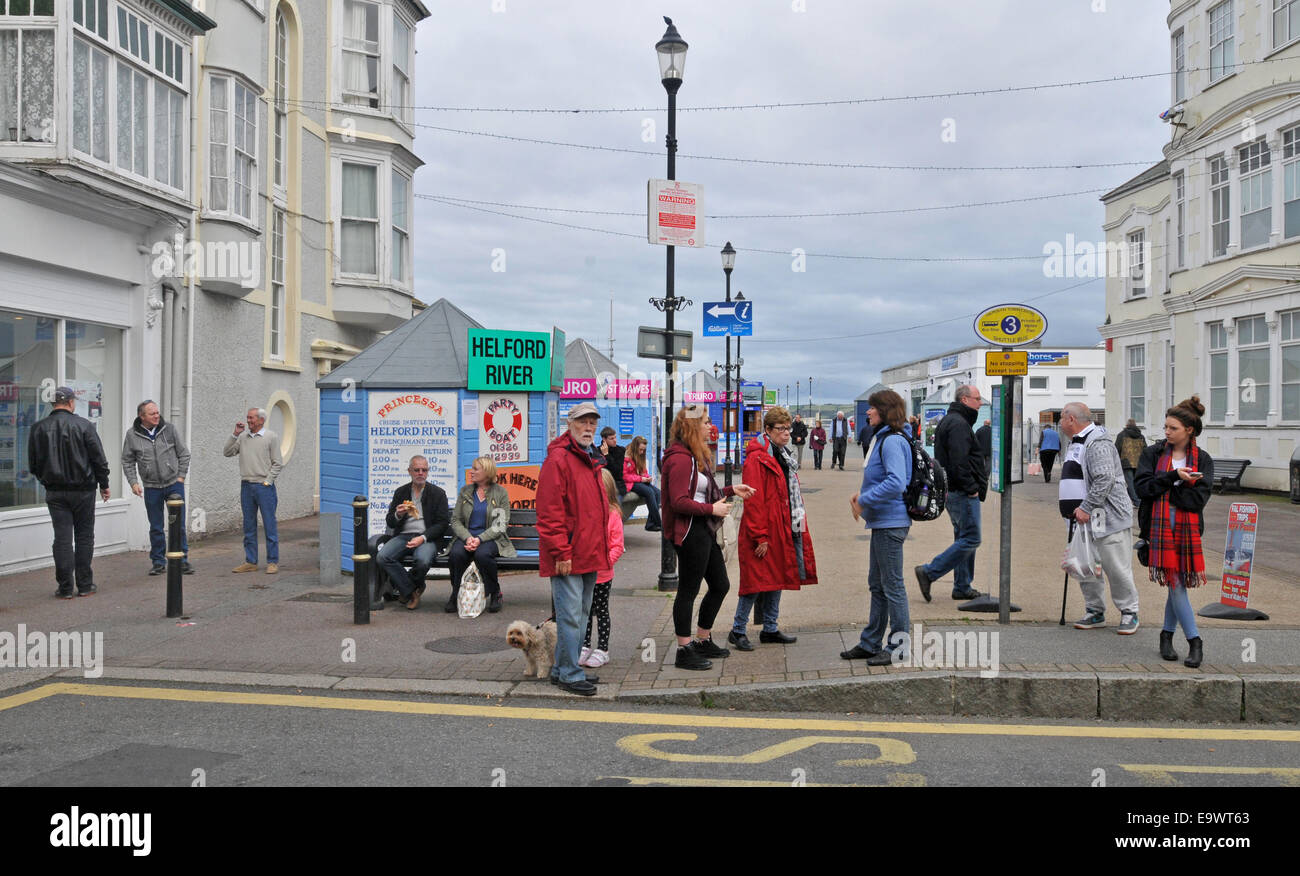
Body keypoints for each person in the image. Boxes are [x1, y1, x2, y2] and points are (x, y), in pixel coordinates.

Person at [661, 404, 756, 670]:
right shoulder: (680, 458)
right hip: (690, 532)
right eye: (704, 422)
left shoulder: (693, 455)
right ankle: (684, 649)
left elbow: (702, 492)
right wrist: (711, 509)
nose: (709, 427)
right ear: (691, 427)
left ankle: (702, 640)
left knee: (720, 584)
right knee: (688, 591)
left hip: (702, 528)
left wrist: (731, 489)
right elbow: (678, 501)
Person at [537, 402, 610, 696]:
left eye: (592, 422)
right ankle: (569, 672)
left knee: (579, 614)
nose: (588, 428)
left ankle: (561, 669)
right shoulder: (559, 460)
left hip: (588, 550)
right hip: (569, 553)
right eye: (583, 422)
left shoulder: (587, 457)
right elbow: (550, 512)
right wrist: (561, 552)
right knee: (570, 615)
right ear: (570, 424)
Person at [729, 406, 815, 651]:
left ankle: (770, 628)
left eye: (788, 428)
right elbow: (754, 500)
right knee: (755, 583)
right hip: (763, 529)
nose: (786, 433)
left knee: (777, 577)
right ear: (767, 430)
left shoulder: (780, 453)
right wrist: (760, 536)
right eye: (781, 429)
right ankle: (737, 630)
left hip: (782, 525)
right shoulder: (757, 458)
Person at [1136, 396, 1213, 668]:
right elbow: (1143, 489)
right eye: (1166, 427)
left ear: (1189, 430)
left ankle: (1167, 636)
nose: (1167, 432)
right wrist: (1175, 478)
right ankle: (1194, 641)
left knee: (1175, 583)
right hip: (1157, 531)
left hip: (1186, 533)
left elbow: (1198, 500)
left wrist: (1172, 489)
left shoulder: (1202, 459)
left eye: (1173, 428)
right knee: (1176, 583)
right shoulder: (1152, 454)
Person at [842, 389, 914, 665]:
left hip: (891, 523)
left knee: (892, 586)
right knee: (878, 585)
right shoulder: (883, 437)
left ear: (884, 411)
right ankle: (871, 642)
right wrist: (862, 497)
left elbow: (897, 482)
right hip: (882, 521)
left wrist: (864, 499)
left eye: (873, 408)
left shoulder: (893, 441)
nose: (868, 412)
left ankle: (898, 647)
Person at [1058, 402, 1140, 634]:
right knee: (1085, 565)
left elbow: (1105, 479)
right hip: (1083, 521)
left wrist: (1086, 506)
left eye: (1062, 419)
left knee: (1115, 566)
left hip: (1105, 517)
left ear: (1071, 419)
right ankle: (1095, 611)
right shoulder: (1077, 441)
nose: (1060, 424)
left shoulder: (1097, 443)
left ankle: (1129, 612)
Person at [28, 386, 111, 598]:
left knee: (62, 538)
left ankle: (65, 587)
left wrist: (46, 480)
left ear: (54, 404)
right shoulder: (84, 426)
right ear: (72, 402)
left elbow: (33, 465)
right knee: (84, 536)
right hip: (83, 490)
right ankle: (84, 585)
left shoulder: (38, 428)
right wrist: (104, 484)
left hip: (55, 491)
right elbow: (98, 459)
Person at [914, 385, 985, 602]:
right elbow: (959, 461)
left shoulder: (953, 420)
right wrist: (971, 488)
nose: (980, 403)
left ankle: (962, 586)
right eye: (977, 398)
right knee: (971, 538)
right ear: (964, 399)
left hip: (955, 490)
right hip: (961, 491)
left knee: (963, 537)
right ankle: (929, 571)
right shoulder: (958, 424)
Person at [122, 400, 194, 576]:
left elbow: (184, 453)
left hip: (173, 484)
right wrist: (133, 482)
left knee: (178, 526)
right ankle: (158, 562)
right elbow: (127, 460)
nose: (156, 416)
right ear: (142, 416)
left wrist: (181, 476)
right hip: (151, 487)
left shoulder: (169, 429)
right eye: (152, 413)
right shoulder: (132, 435)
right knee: (156, 527)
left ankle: (182, 560)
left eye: (157, 412)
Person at [377, 455, 449, 611]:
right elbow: (390, 521)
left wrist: (422, 538)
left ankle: (406, 589)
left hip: (427, 537)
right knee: (383, 556)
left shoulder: (438, 493)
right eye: (417, 470)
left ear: (428, 471)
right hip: (404, 536)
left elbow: (442, 523)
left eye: (424, 470)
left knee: (422, 560)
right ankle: (412, 590)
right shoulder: (401, 492)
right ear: (409, 471)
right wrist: (398, 515)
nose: (420, 473)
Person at [447, 455, 515, 613]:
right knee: (456, 554)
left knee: (482, 555)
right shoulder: (465, 492)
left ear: (487, 471)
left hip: (491, 538)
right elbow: (456, 520)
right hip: (467, 537)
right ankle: (456, 592)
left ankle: (494, 592)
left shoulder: (500, 493)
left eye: (475, 469)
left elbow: (500, 525)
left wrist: (479, 539)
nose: (471, 472)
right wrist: (468, 538)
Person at [224, 407, 283, 574]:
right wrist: (235, 434)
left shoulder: (271, 437)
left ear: (261, 420)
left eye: (252, 418)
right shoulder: (242, 437)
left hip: (264, 487)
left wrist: (267, 481)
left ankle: (272, 561)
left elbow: (278, 462)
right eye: (248, 417)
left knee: (269, 524)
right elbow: (227, 452)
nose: (248, 420)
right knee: (248, 525)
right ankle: (251, 561)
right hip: (246, 486)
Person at [581, 468, 625, 668]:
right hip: (585, 572)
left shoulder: (613, 515)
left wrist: (603, 563)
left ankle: (603, 649)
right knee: (586, 611)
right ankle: (585, 645)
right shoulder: (587, 512)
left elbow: (617, 546)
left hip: (602, 574)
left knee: (601, 610)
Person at [622, 435, 662, 531]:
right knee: (650, 492)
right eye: (640, 449)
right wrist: (641, 479)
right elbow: (625, 476)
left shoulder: (640, 455)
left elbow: (644, 471)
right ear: (635, 447)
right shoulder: (625, 457)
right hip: (631, 483)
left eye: (643, 450)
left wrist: (647, 477)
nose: (642, 452)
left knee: (658, 493)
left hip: (639, 481)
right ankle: (658, 522)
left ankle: (650, 524)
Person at [1116, 418, 1146, 506]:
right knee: (1137, 482)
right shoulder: (1141, 436)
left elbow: (1117, 449)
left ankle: (1137, 501)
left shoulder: (1121, 435)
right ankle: (1139, 500)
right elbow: (1145, 449)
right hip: (1139, 462)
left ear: (1126, 425)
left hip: (1126, 462)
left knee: (1129, 483)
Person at [597, 427, 627, 496]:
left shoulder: (620, 450)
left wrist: (607, 455)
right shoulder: (597, 451)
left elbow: (617, 472)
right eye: (612, 438)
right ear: (604, 439)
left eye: (615, 437)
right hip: (602, 485)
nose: (615, 440)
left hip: (618, 486)